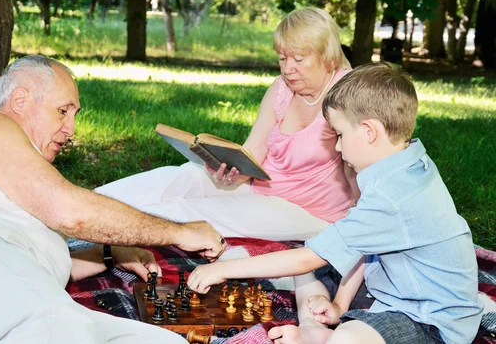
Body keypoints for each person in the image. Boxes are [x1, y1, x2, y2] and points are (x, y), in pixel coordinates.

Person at [0, 55, 226, 344]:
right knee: (59, 329)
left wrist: (108, 253)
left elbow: (34, 259)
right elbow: (70, 213)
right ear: (20, 99)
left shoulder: (22, 176)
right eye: (63, 110)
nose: (71, 128)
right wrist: (181, 231)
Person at [187, 62, 484, 344]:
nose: (338, 147)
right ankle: (314, 329)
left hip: (429, 322)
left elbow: (311, 256)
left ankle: (329, 335)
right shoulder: (405, 165)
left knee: (345, 332)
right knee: (305, 268)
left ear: (369, 132)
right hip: (395, 288)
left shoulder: (393, 198)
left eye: (340, 135)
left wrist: (224, 270)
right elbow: (362, 247)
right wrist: (340, 304)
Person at [96, 7, 358, 241]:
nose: (287, 69)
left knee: (192, 211)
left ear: (328, 56)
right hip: (261, 190)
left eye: (298, 59)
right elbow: (254, 150)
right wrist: (233, 169)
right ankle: (86, 205)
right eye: (281, 58)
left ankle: (110, 227)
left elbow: (369, 168)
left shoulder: (350, 95)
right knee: (180, 176)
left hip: (309, 213)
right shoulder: (281, 89)